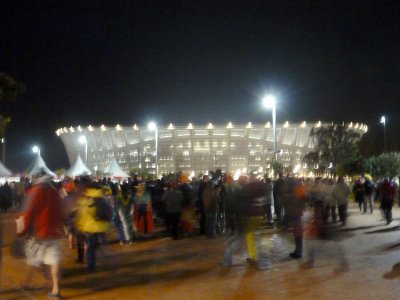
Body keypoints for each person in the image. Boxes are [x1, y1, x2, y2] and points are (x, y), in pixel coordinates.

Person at [18, 172, 66, 299]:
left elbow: (28, 213)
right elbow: (62, 211)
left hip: (38, 232)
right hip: (54, 232)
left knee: (33, 259)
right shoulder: (56, 193)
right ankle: (56, 290)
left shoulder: (35, 191)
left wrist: (22, 231)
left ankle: (27, 283)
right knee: (54, 261)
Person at [75, 182, 112, 272]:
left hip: (90, 227)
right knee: (101, 245)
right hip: (102, 226)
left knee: (91, 248)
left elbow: (82, 213)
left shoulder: (87, 199)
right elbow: (110, 211)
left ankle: (91, 267)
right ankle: (107, 262)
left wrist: (80, 225)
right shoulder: (103, 199)